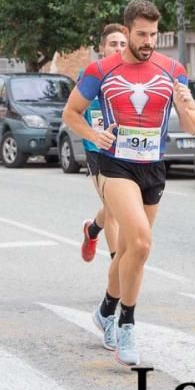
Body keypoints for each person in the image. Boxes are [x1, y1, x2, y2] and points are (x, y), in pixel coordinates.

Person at [62, 0, 195, 366]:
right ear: (126, 33)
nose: (148, 41)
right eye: (141, 34)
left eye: (154, 34)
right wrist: (94, 133)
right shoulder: (100, 70)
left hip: (152, 168)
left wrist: (187, 106)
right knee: (140, 239)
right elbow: (70, 113)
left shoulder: (173, 71)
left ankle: (105, 309)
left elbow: (193, 127)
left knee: (129, 252)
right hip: (115, 165)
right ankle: (126, 321)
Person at [79, 24, 127, 262]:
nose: (118, 49)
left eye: (122, 44)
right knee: (113, 208)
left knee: (115, 207)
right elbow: (74, 112)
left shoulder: (133, 74)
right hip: (97, 149)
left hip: (126, 149)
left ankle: (92, 230)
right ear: (102, 48)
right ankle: (117, 267)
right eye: (113, 44)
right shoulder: (92, 73)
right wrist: (91, 135)